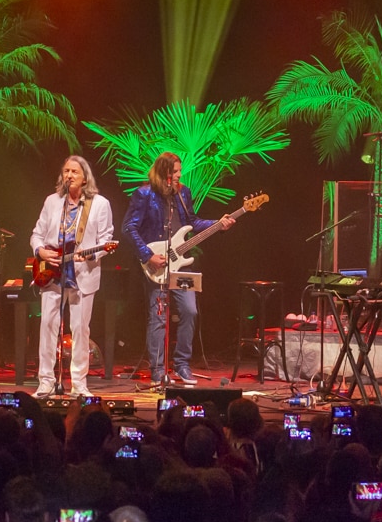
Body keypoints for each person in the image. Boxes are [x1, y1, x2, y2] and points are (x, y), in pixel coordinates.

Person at [122, 151, 234, 386]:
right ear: (165, 173)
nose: (179, 176)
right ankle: (158, 370)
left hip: (181, 262)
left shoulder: (183, 193)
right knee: (158, 317)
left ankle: (182, 365)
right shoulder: (144, 194)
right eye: (176, 173)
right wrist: (148, 255)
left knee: (190, 310)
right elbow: (128, 228)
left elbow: (191, 222)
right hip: (156, 263)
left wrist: (218, 224)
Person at [29, 155, 116, 398]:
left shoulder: (99, 204)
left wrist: (89, 256)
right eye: (66, 171)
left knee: (80, 330)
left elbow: (106, 240)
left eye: (74, 172)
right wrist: (40, 250)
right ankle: (46, 381)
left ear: (85, 177)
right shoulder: (52, 202)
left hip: (82, 275)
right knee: (47, 326)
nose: (69, 175)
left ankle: (79, 383)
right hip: (52, 272)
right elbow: (36, 234)